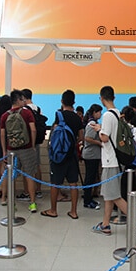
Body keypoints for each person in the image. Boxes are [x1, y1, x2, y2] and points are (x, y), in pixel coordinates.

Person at [91, 86, 136, 236]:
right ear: (113, 97)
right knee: (109, 194)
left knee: (114, 195)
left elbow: (105, 137)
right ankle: (105, 224)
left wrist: (99, 130)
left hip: (110, 160)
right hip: (117, 160)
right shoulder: (117, 113)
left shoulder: (107, 116)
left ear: (101, 98)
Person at [40, 90, 83, 219]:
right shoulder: (77, 117)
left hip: (58, 155)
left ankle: (53, 210)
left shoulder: (59, 115)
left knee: (55, 183)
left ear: (62, 101)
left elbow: (54, 133)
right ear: (74, 102)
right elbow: (81, 137)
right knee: (73, 183)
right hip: (72, 155)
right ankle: (73, 211)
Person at [0, 89, 38, 212]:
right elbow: (33, 130)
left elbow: (2, 134)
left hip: (12, 149)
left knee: (12, 177)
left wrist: (4, 150)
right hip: (26, 149)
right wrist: (32, 145)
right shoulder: (27, 113)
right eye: (22, 99)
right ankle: (32, 203)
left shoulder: (5, 115)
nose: (24, 101)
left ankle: (12, 203)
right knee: (29, 175)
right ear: (18, 100)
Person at [15, 88, 45, 200]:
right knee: (37, 165)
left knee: (26, 168)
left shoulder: (23, 110)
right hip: (37, 141)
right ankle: (38, 190)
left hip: (27, 143)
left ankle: (27, 192)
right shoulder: (38, 108)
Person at [120, 105, 136, 201]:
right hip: (130, 158)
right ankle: (131, 202)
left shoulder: (118, 127)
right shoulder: (133, 129)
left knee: (122, 181)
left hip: (119, 157)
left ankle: (120, 203)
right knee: (131, 180)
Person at [82, 104, 103, 209]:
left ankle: (89, 198)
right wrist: (99, 143)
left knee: (92, 177)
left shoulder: (94, 123)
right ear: (94, 112)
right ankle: (87, 200)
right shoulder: (92, 123)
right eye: (99, 112)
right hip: (91, 155)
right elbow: (87, 138)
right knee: (89, 178)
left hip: (94, 155)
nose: (101, 114)